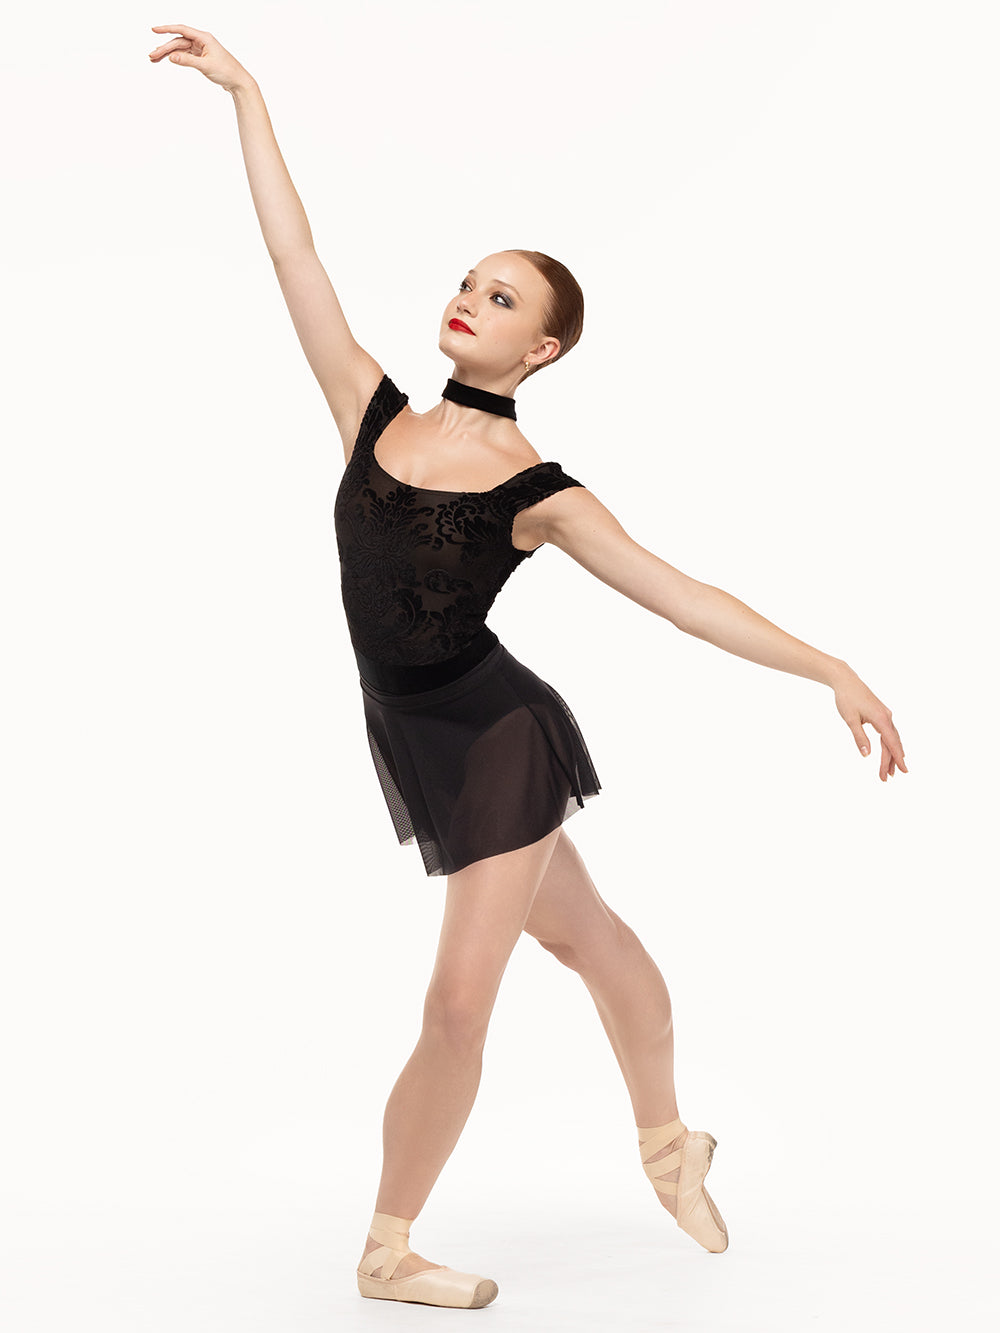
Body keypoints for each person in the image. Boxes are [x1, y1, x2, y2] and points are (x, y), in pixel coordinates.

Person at [149, 23, 908, 1312]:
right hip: (416, 736)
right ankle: (673, 1145)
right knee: (593, 941)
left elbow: (681, 595)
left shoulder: (536, 489)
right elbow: (295, 256)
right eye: (469, 282)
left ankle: (387, 1249)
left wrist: (829, 664)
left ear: (543, 351)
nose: (471, 300)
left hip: (499, 737)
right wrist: (246, 97)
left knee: (458, 1003)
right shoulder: (369, 410)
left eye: (504, 300)